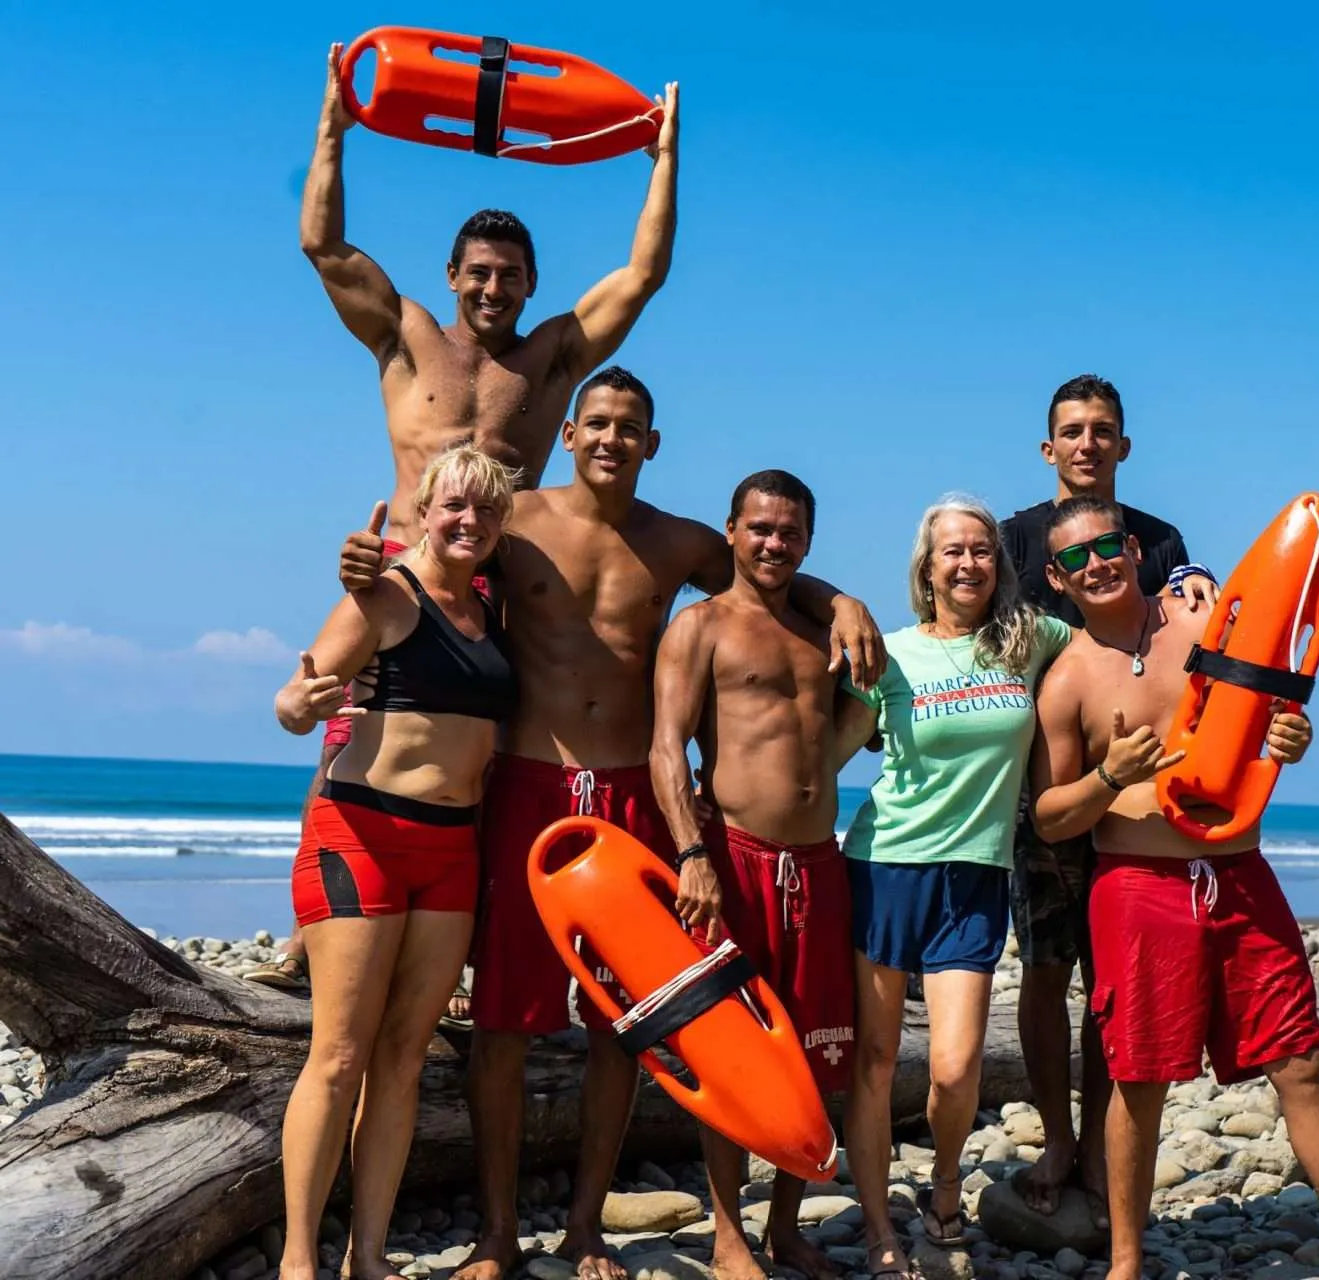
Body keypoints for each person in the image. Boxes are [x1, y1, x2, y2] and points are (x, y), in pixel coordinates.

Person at [340, 371, 883, 1280]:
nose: (611, 439)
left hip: (632, 796)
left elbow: (764, 569)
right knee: (504, 1022)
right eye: (596, 423)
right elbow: (432, 574)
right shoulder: (516, 525)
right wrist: (366, 581)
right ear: (569, 434)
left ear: (652, 444)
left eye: (629, 428)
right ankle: (499, 1231)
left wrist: (842, 603)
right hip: (530, 785)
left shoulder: (678, 541)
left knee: (622, 1024)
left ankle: (586, 1225)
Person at [246, 47, 683, 994]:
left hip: (504, 576)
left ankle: (460, 940)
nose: (493, 289)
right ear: (451, 274)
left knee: (485, 753)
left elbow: (643, 275)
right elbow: (323, 245)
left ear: (531, 284)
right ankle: (310, 934)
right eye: (480, 273)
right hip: (408, 566)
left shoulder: (551, 360)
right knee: (349, 724)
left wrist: (661, 160)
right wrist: (334, 128)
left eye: (511, 276)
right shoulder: (405, 338)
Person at [1028, 496, 1319, 1280]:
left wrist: (1290, 736)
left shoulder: (1203, 622)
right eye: (1074, 558)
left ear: (1135, 549)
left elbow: (1269, 711)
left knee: (1299, 1060)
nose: (1096, 564)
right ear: (1057, 580)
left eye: (1107, 546)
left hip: (1239, 874)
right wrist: (1110, 777)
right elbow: (1052, 816)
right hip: (1138, 887)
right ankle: (1126, 1264)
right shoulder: (1066, 681)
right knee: (1138, 1081)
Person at [274, 445, 519, 1280]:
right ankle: (299, 1261)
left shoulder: (488, 609)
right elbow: (295, 697)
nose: (470, 520)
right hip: (362, 837)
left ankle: (368, 1256)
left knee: (404, 1058)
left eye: (487, 509)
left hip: (450, 852)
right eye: (455, 505)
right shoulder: (383, 594)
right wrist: (299, 705)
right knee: (340, 1055)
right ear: (422, 511)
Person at [835, 496, 1075, 1280]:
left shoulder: (1031, 640)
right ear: (927, 568)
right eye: (953, 551)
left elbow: (1117, 644)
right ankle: (880, 1228)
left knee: (954, 1068)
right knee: (875, 1063)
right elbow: (824, 758)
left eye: (981, 550)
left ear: (997, 565)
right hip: (884, 866)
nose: (968, 563)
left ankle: (943, 1189)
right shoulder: (891, 656)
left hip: (976, 876)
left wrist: (1188, 586)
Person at [997, 373, 1216, 1215]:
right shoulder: (1014, 540)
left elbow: (1197, 639)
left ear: (1123, 445)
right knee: (1047, 971)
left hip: (1139, 805)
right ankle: (1057, 1137)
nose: (1086, 444)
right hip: (1045, 791)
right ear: (1047, 448)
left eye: (1101, 430)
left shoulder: (1160, 541)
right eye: (1072, 431)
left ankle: (1100, 1147)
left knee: (1112, 985)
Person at [650, 470, 860, 1280]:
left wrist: (847, 604)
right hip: (733, 859)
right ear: (731, 531)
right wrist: (691, 854)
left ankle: (786, 1227)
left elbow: (862, 715)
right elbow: (666, 747)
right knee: (733, 1051)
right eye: (761, 528)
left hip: (819, 862)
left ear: (809, 541)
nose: (774, 543)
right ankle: (728, 1233)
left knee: (814, 1051)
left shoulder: (822, 632)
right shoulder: (700, 626)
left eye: (790, 531)